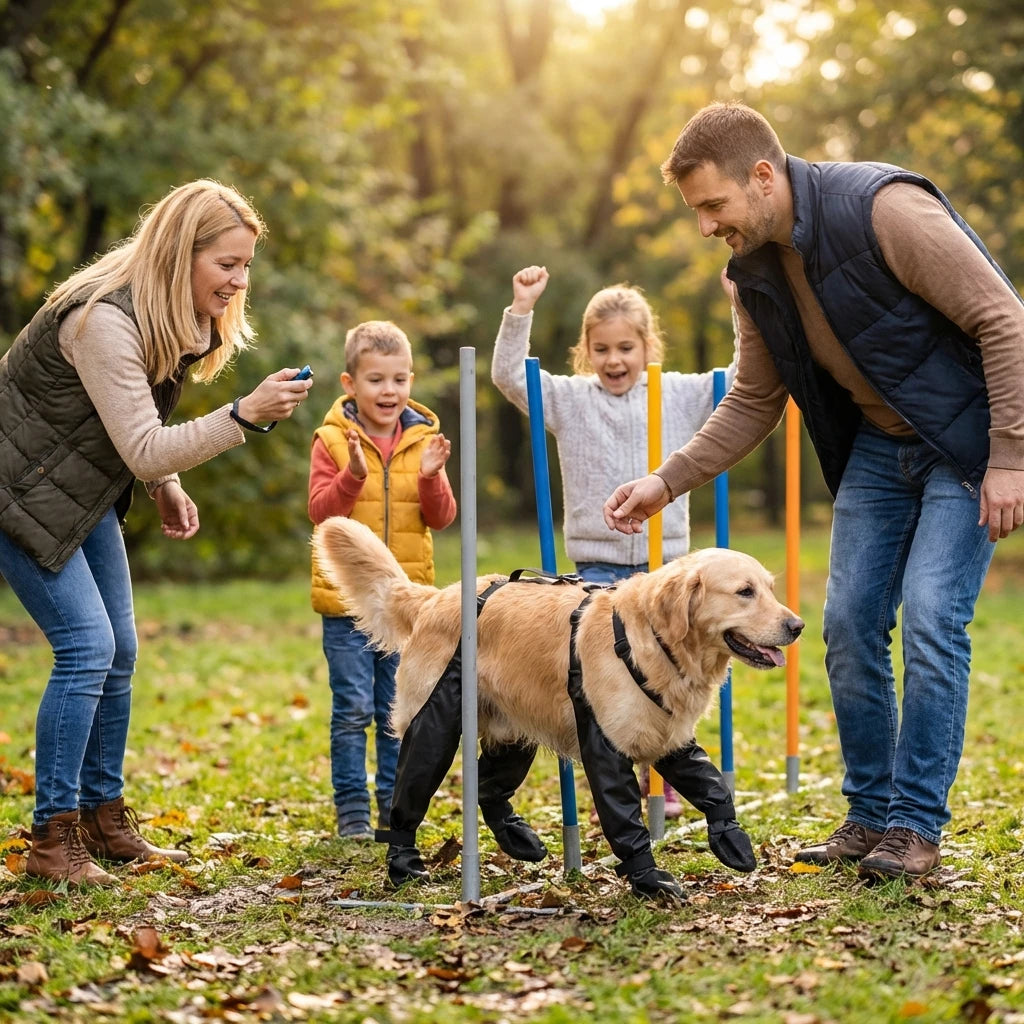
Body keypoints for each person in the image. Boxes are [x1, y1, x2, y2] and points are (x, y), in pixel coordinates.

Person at [604, 102, 1024, 879]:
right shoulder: (752, 272)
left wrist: (1010, 457)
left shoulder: (885, 210)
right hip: (876, 449)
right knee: (848, 623)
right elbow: (755, 399)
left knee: (934, 617)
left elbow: (1004, 319)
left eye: (712, 206)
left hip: (964, 446)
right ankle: (869, 815)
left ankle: (916, 828)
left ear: (762, 177)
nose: (705, 227)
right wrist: (666, 481)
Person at [0, 178, 313, 886]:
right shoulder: (103, 321)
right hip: (16, 491)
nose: (238, 281)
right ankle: (53, 841)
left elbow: (123, 428)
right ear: (181, 254)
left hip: (75, 491)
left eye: (245, 266)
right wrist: (244, 415)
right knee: (87, 648)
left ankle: (104, 820)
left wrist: (164, 484)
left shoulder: (165, 317)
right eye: (225, 264)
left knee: (121, 649)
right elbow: (142, 443)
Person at [491, 266, 740, 827]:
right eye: (601, 348)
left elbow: (744, 377)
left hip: (666, 569)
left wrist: (740, 305)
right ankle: (614, 781)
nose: (614, 359)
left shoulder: (679, 392)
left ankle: (669, 772)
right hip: (597, 567)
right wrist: (521, 310)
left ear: (648, 345)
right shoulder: (570, 399)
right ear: (585, 351)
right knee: (610, 684)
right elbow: (510, 377)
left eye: (626, 346)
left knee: (670, 676)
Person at [308, 320, 456, 840]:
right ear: (350, 384)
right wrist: (351, 473)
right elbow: (321, 514)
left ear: (410, 380)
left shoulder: (424, 442)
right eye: (375, 380)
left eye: (398, 379)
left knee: (400, 711)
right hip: (346, 606)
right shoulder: (331, 440)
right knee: (351, 711)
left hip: (409, 606)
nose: (388, 391)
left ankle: (396, 810)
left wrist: (433, 476)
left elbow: (441, 518)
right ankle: (352, 812)